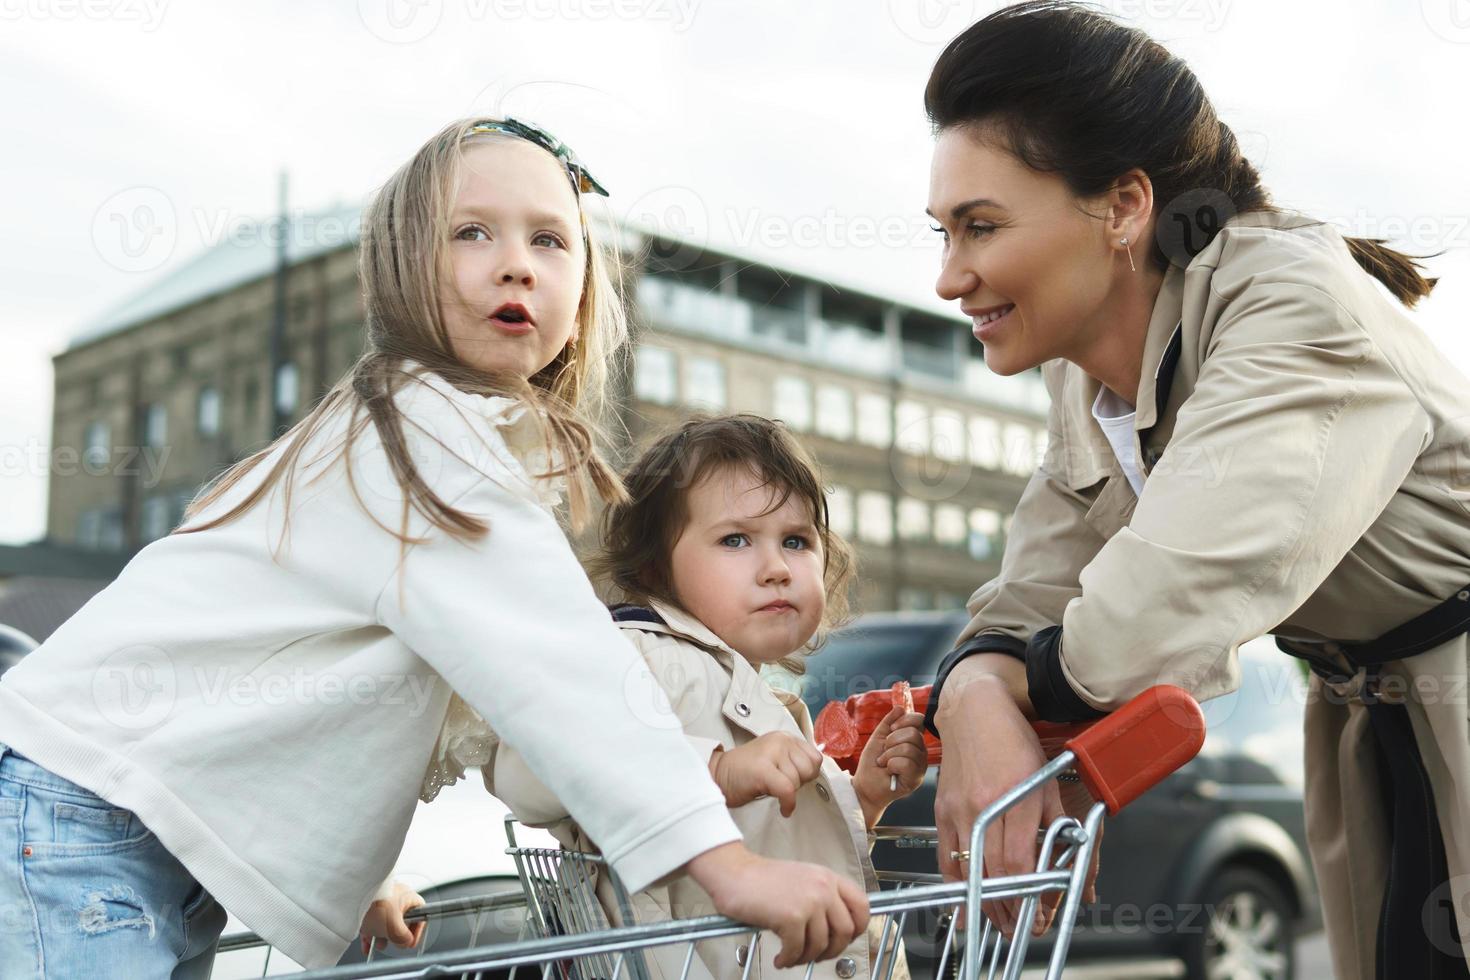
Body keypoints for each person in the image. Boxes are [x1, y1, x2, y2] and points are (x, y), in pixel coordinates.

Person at [0, 117, 867, 977]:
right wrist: (730, 866)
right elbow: (563, 675)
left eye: (552, 240)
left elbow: (305, 674)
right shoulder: (424, 438)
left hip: (103, 823)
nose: (517, 261)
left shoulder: (401, 434)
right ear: (402, 266)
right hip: (80, 823)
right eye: (471, 233)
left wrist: (354, 868)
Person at [916, 5, 1470, 978]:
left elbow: (1153, 607)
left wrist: (989, 702)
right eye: (944, 231)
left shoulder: (1289, 301)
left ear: (1125, 207)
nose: (950, 276)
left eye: (981, 227)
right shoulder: (1087, 380)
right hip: (1380, 726)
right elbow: (1031, 593)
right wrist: (974, 688)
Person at [366, 415, 928, 979]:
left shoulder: (768, 700)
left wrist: (863, 798)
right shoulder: (639, 652)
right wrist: (716, 769)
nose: (777, 568)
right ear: (659, 566)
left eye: (796, 541)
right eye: (736, 539)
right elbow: (529, 768)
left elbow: (782, 845)